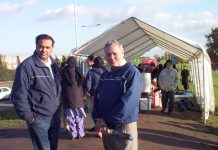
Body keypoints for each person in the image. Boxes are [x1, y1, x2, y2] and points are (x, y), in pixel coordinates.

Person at [11, 34, 62, 150]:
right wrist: (29, 117)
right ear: (36, 46)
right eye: (41, 46)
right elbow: (18, 94)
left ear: (52, 48)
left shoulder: (54, 65)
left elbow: (58, 87)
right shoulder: (27, 66)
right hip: (39, 119)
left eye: (47, 47)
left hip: (55, 116)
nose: (44, 50)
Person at [92, 40, 142, 150]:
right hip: (105, 125)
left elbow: (128, 103)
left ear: (122, 52)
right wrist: (97, 119)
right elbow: (97, 97)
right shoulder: (106, 73)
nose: (111, 57)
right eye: (108, 54)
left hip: (123, 126)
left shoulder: (131, 72)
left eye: (115, 53)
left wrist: (106, 120)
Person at [62, 56, 86, 139]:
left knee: (70, 117)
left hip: (68, 98)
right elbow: (84, 83)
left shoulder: (64, 71)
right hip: (79, 98)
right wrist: (83, 94)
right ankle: (81, 133)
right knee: (79, 117)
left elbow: (60, 85)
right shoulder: (79, 70)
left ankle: (73, 134)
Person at [85, 56, 105, 137]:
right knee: (103, 111)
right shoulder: (106, 71)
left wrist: (89, 92)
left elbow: (88, 84)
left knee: (95, 112)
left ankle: (98, 132)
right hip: (104, 95)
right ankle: (104, 129)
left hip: (94, 94)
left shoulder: (91, 72)